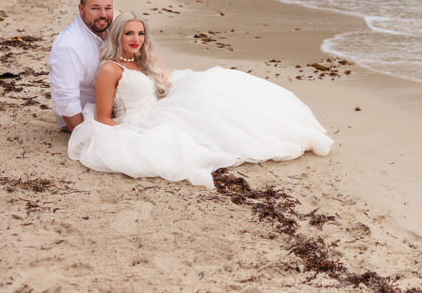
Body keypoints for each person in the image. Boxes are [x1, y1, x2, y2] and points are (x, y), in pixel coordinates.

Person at [67, 12, 333, 188]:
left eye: (140, 33)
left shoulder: (147, 59)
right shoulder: (110, 70)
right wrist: (136, 133)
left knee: (217, 90)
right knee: (196, 133)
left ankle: (276, 127)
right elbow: (103, 118)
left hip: (162, 106)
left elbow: (165, 86)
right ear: (117, 36)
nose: (136, 40)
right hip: (138, 121)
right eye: (128, 33)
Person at [47, 0, 114, 131]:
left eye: (108, 8)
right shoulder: (69, 46)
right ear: (81, 9)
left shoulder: (113, 27)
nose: (103, 14)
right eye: (95, 8)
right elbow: (66, 99)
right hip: (85, 117)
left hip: (114, 108)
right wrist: (82, 134)